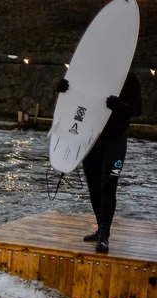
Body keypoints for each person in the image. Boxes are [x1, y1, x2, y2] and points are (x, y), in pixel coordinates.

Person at [56, 72, 142, 253]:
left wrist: (121, 106)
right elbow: (75, 100)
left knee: (109, 184)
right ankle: (100, 229)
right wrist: (63, 90)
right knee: (94, 187)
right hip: (91, 138)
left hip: (115, 140)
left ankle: (104, 235)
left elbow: (138, 108)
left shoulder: (127, 76)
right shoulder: (91, 72)